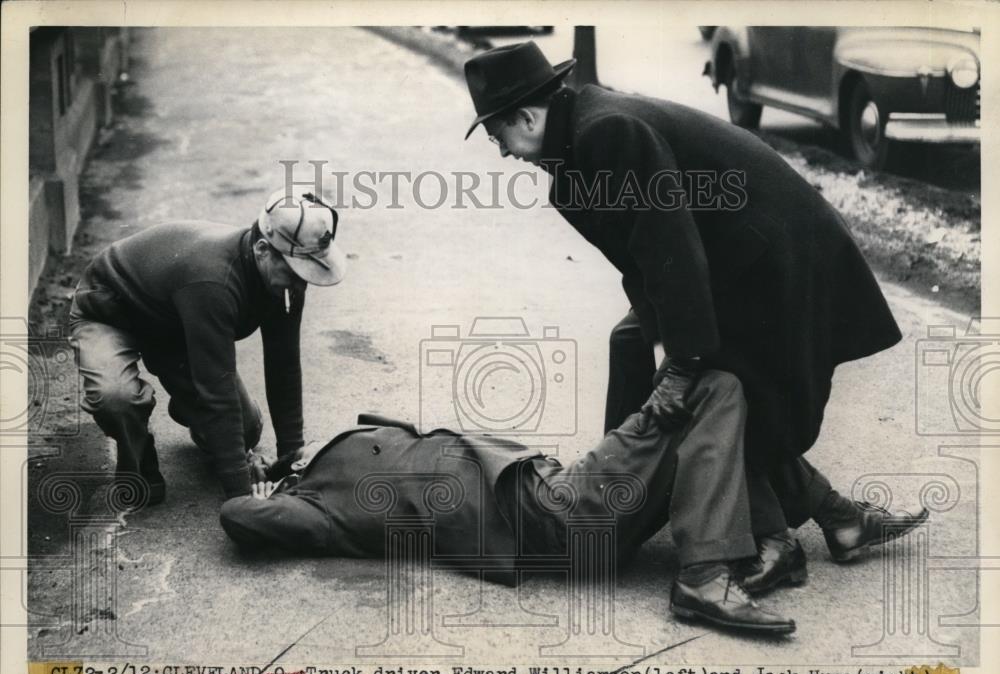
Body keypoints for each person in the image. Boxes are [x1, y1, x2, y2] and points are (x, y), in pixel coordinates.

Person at [461, 42, 927, 592]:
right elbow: (642, 263)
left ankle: (775, 541)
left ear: (526, 116)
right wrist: (657, 356)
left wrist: (681, 364)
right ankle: (839, 518)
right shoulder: (574, 157)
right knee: (636, 345)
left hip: (775, 260)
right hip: (731, 265)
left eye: (498, 136)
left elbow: (671, 247)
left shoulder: (606, 132)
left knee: (713, 388)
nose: (502, 151)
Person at [221, 369, 912, 636]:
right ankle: (707, 578)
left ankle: (834, 519)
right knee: (714, 385)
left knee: (720, 407)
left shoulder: (351, 441)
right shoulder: (318, 508)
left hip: (559, 498)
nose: (284, 464)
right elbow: (239, 517)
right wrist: (256, 491)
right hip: (555, 517)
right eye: (277, 470)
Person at [68, 189, 345, 503]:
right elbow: (219, 390)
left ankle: (189, 404)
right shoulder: (214, 282)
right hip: (109, 309)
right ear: (263, 249)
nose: (301, 282)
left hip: (173, 328)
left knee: (247, 431)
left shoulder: (285, 281)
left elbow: (283, 365)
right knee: (117, 398)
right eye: (296, 271)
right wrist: (240, 495)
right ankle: (138, 451)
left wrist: (290, 462)